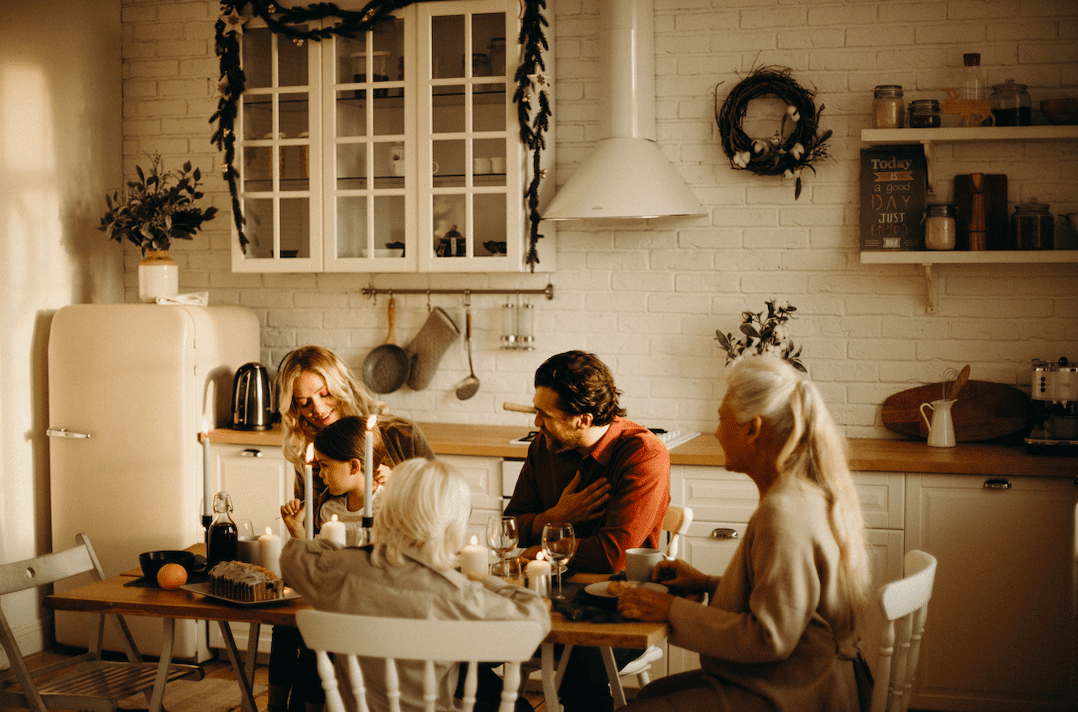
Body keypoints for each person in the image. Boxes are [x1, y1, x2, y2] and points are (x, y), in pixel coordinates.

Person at [616, 356, 872, 712]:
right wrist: (706, 583)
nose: (717, 433)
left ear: (752, 429)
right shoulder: (805, 492)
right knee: (650, 695)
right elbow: (791, 602)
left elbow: (769, 637)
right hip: (801, 678)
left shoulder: (783, 512)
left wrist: (670, 608)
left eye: (722, 419)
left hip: (800, 694)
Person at [280, 458, 551, 712]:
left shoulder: (342, 570)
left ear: (386, 510)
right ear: (453, 523)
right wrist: (483, 579)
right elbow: (535, 618)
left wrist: (353, 552)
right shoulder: (459, 593)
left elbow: (294, 555)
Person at [503, 350, 670, 712]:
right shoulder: (544, 445)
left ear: (583, 419)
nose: (536, 421)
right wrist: (556, 516)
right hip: (544, 598)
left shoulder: (643, 454)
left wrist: (543, 547)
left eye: (545, 415)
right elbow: (511, 527)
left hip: (618, 605)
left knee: (579, 670)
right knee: (463, 643)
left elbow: (613, 554)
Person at [271, 346, 435, 712]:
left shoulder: (399, 435)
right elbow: (316, 538)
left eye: (324, 394)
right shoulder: (310, 455)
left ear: (341, 385)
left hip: (395, 585)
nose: (317, 409)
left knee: (319, 632)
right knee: (292, 622)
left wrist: (403, 484)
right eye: (303, 402)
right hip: (338, 581)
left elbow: (442, 506)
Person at [311, 415, 394, 545]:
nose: (321, 474)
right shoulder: (329, 510)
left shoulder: (390, 505)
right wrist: (296, 528)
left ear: (354, 466)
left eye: (324, 465)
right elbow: (322, 553)